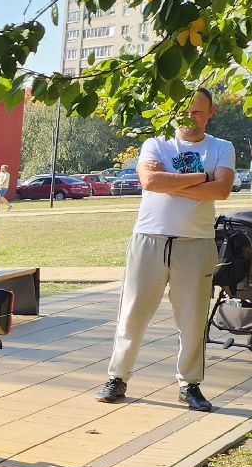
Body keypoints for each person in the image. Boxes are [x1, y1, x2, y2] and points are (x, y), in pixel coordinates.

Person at [96, 88, 234, 412]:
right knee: (132, 313)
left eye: (197, 112)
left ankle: (190, 385)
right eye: (184, 112)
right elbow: (150, 182)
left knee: (192, 319)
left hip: (196, 243)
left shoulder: (221, 147)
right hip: (149, 239)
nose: (190, 118)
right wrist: (202, 178)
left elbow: (222, 189)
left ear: (211, 112)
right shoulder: (156, 143)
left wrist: (172, 181)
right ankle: (117, 378)